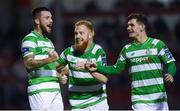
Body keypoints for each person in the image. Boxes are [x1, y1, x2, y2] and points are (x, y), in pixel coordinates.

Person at [85, 13, 176, 111]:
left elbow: (171, 63)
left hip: (159, 99)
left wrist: (170, 74)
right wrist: (97, 67)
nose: (128, 28)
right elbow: (115, 69)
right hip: (139, 100)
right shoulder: (127, 49)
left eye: (132, 25)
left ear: (142, 27)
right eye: (127, 25)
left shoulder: (158, 45)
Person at [56, 20, 109, 110]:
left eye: (81, 33)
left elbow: (104, 78)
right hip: (77, 104)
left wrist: (88, 68)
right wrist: (60, 76)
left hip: (98, 102)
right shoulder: (68, 52)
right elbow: (54, 68)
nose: (78, 36)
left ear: (91, 34)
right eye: (76, 33)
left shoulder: (98, 51)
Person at [21, 7, 64, 110]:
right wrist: (49, 59)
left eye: (51, 18)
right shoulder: (30, 38)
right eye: (47, 18)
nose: (51, 20)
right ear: (37, 21)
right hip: (40, 88)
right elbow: (28, 63)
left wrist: (60, 75)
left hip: (55, 88)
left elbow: (51, 67)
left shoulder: (49, 42)